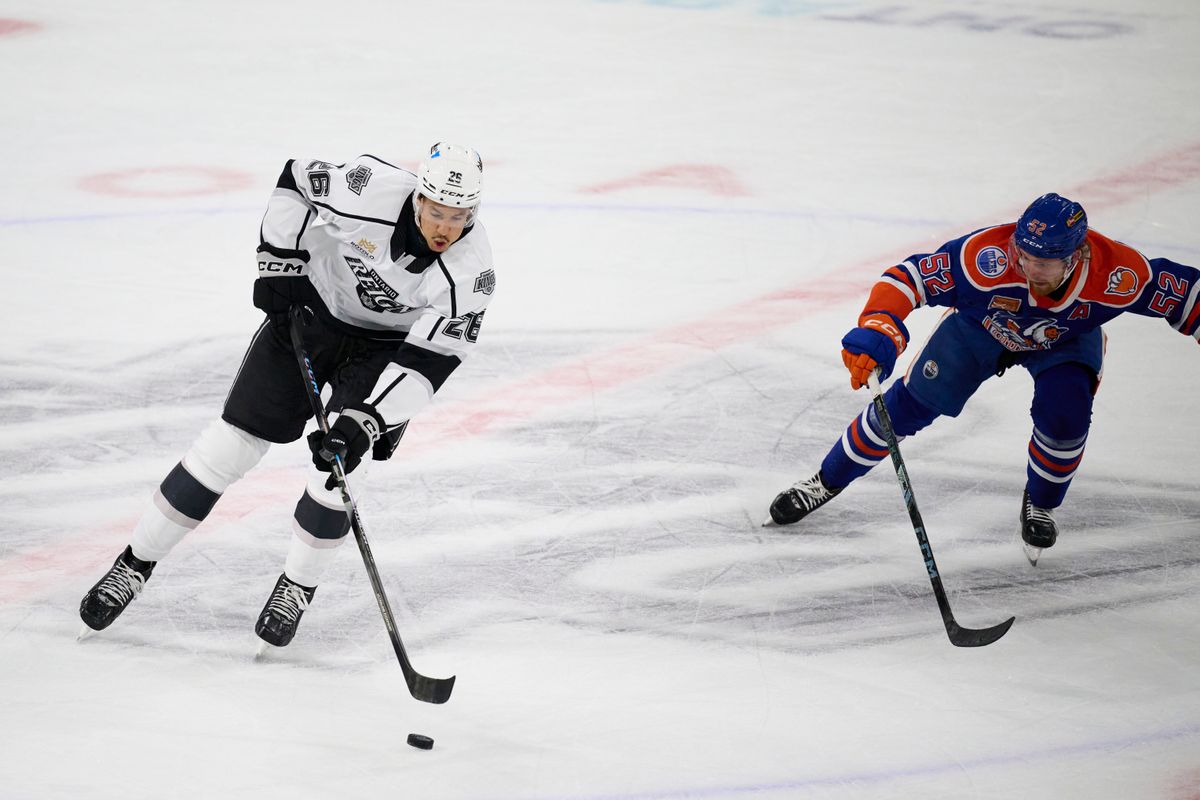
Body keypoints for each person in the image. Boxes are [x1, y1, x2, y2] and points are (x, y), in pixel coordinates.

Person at [79, 142, 496, 646]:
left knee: (338, 472)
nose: (445, 228)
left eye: (458, 216)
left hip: (385, 351)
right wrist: (279, 261)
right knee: (228, 447)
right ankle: (133, 564)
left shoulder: (472, 274)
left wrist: (368, 419)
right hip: (312, 311)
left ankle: (296, 587)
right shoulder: (368, 189)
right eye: (436, 212)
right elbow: (296, 180)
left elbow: (429, 361)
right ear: (418, 199)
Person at [766, 193, 1199, 564]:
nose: (1028, 267)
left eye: (1043, 262)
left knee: (1065, 416)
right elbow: (908, 277)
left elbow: (1186, 295)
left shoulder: (1118, 274)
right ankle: (826, 480)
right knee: (903, 409)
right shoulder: (984, 258)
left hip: (1064, 339)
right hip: (980, 330)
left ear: (1076, 256)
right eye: (1023, 255)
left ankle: (1041, 504)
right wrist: (880, 324)